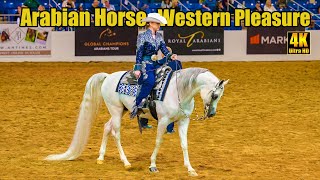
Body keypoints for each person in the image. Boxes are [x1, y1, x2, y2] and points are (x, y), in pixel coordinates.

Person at [130, 13, 179, 126]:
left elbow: (164, 49)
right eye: (157, 23)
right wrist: (137, 68)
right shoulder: (142, 36)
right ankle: (138, 104)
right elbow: (139, 53)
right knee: (150, 81)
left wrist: (170, 55)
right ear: (150, 23)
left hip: (155, 63)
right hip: (145, 63)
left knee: (166, 78)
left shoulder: (159, 37)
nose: (159, 25)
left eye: (159, 23)